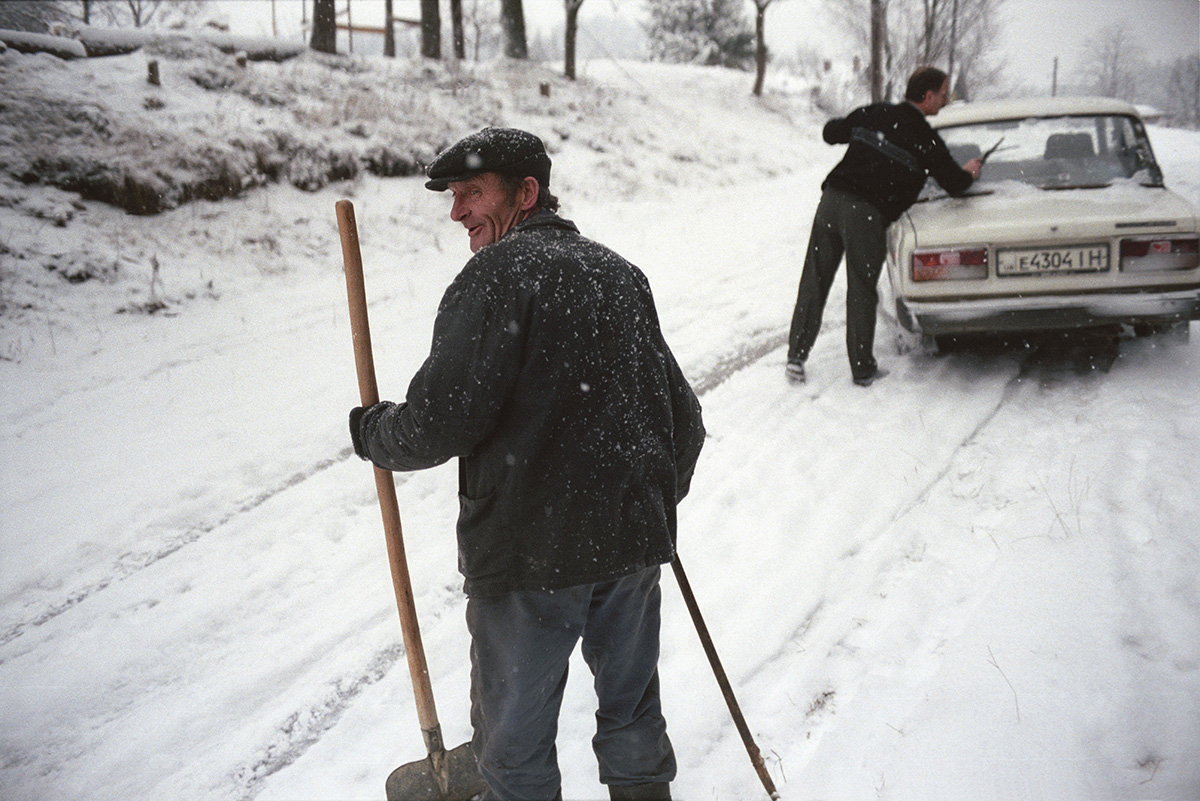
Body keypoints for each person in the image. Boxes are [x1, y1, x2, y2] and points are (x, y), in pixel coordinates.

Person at [349, 127, 705, 801]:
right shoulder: (619, 272)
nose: (457, 212)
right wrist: (646, 503)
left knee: (513, 746)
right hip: (629, 549)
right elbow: (682, 419)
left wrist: (375, 432)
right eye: (453, 197)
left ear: (528, 192)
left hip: (528, 558)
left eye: (472, 193)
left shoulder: (497, 276)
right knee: (631, 714)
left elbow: (439, 420)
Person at [786, 66, 983, 386]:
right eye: (944, 95)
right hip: (865, 213)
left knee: (815, 279)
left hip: (831, 202)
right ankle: (862, 368)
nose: (946, 102)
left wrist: (853, 127)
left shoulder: (876, 113)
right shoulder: (926, 138)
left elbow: (830, 133)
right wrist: (971, 170)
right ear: (928, 96)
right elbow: (955, 183)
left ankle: (796, 358)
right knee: (861, 288)